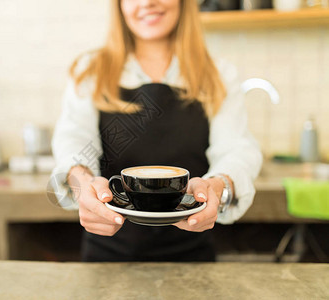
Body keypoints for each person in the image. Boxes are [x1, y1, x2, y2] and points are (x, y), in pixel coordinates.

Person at [50, 0, 262, 262]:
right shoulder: (90, 71)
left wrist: (218, 186)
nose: (147, 2)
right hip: (107, 257)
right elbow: (73, 141)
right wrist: (83, 184)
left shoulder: (219, 75)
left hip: (192, 257)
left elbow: (237, 148)